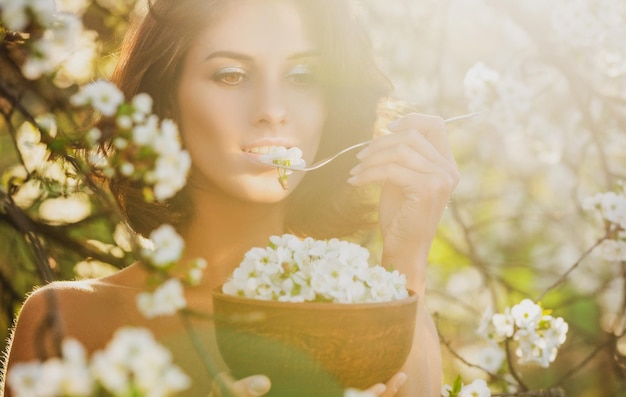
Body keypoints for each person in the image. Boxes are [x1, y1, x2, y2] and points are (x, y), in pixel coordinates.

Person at [2, 0, 458, 396]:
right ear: (165, 98)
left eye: (302, 75)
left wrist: (406, 256)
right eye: (232, 75)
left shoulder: (364, 316)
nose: (271, 110)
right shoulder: (67, 322)